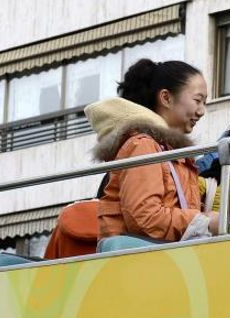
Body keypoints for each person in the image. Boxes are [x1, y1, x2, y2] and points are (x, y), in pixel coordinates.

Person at [86, 59, 218, 242]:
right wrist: (204, 222)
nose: (202, 110)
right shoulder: (144, 146)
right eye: (197, 100)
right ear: (166, 98)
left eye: (205, 102)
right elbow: (145, 217)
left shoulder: (169, 151)